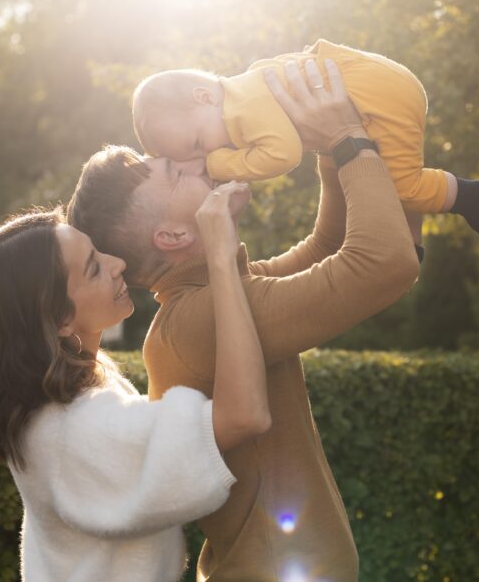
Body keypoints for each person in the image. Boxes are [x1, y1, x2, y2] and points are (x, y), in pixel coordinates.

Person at [68, 59, 420, 582]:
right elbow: (383, 263)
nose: (199, 161)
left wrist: (325, 142)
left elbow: (327, 248)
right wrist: (347, 137)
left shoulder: (213, 296)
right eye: (175, 171)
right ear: (173, 236)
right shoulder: (199, 319)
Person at [0, 180, 271, 582]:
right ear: (60, 319)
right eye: (94, 267)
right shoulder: (78, 429)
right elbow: (244, 415)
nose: (117, 263)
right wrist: (221, 257)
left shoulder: (69, 385)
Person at [131, 38, 479, 241]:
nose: (208, 150)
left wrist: (217, 164)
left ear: (205, 97)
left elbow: (284, 154)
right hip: (381, 81)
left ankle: (468, 195)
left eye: (198, 142)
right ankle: (410, 242)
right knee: (381, 175)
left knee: (405, 185)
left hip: (381, 98)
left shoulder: (243, 109)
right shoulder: (245, 87)